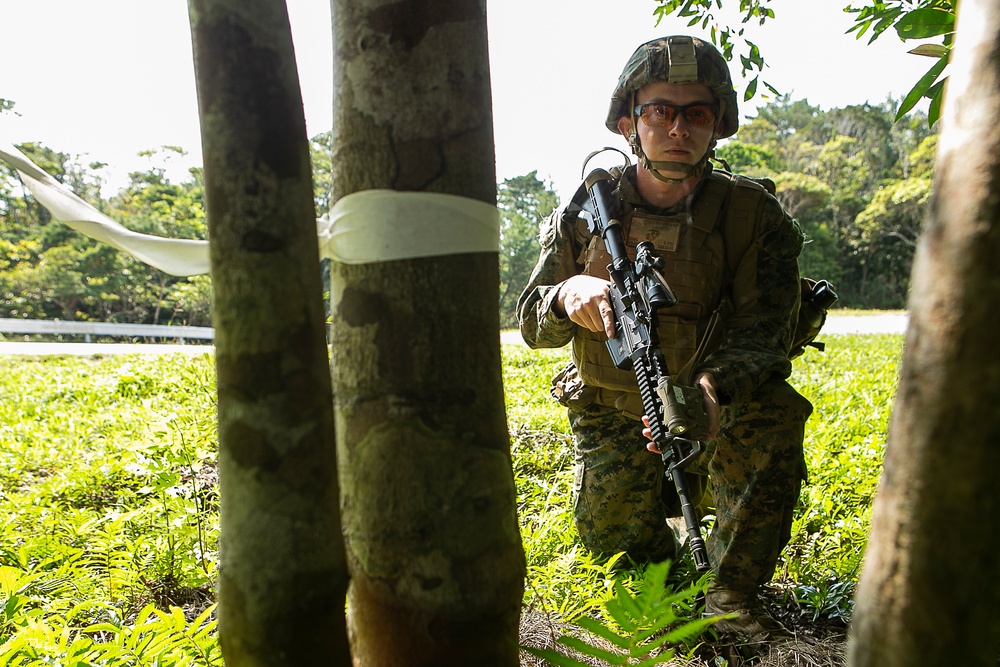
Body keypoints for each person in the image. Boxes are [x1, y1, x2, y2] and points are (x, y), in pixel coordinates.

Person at [516, 35, 813, 641]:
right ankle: (669, 537)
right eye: (660, 112)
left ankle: (730, 595)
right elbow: (529, 320)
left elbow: (768, 333)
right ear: (628, 121)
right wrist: (568, 294)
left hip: (717, 404)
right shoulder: (583, 213)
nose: (678, 128)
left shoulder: (753, 217)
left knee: (772, 415)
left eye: (696, 113)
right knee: (622, 566)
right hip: (615, 406)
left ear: (717, 124)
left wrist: (710, 390)